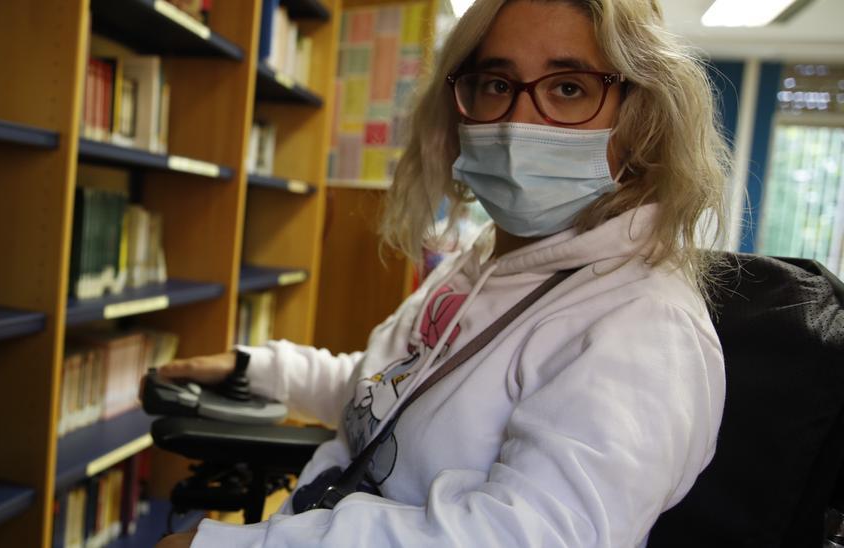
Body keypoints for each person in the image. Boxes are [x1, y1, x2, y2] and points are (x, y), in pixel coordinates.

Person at [154, 0, 731, 546]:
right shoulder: (485, 261)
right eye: (497, 84)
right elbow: (389, 395)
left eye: (568, 88)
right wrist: (260, 368)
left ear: (642, 119)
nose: (516, 122)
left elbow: (525, 537)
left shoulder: (646, 326)